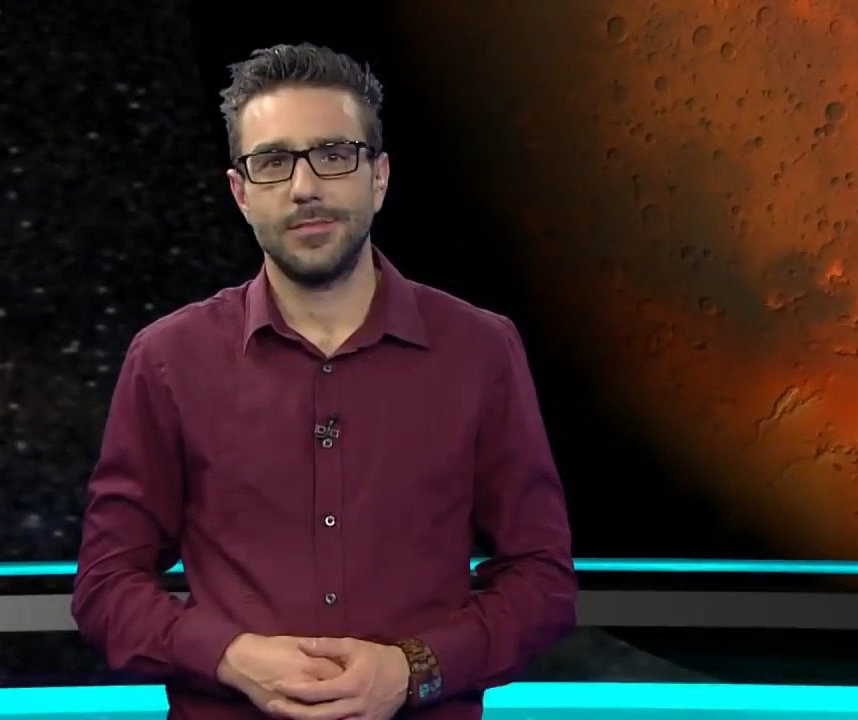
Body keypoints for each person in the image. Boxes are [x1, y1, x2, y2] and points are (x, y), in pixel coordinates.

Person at [70, 42, 578, 720]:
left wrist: (411, 670)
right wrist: (228, 655)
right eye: (273, 162)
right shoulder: (168, 359)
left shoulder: (480, 350)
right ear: (241, 193)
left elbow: (543, 582)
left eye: (333, 155)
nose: (304, 187)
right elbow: (105, 586)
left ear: (379, 177)